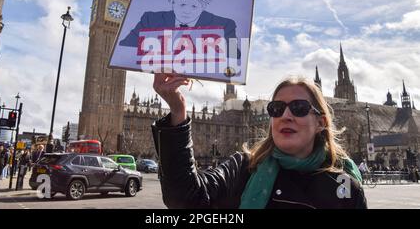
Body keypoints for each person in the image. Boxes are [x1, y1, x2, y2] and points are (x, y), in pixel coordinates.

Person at [152, 74, 367, 208]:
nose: (286, 115)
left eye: (299, 108)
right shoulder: (244, 169)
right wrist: (178, 112)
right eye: (277, 109)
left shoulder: (345, 185)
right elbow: (185, 199)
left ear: (320, 122)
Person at [119, 0, 240, 58]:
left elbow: (235, 57)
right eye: (182, 5)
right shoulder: (150, 19)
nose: (187, 11)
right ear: (173, 4)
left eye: (194, 6)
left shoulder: (225, 25)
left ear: (203, 8)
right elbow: (125, 49)